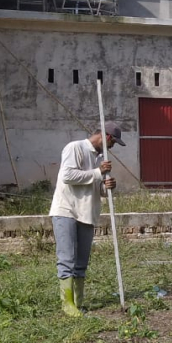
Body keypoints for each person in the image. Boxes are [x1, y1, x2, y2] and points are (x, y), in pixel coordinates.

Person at [50, 121, 125, 317]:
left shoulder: (99, 158)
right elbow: (67, 176)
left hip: (87, 212)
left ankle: (78, 301)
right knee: (67, 259)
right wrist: (98, 172)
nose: (112, 147)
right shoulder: (75, 148)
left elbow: (92, 186)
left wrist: (106, 185)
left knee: (81, 261)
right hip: (66, 210)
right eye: (113, 143)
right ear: (107, 137)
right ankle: (67, 304)